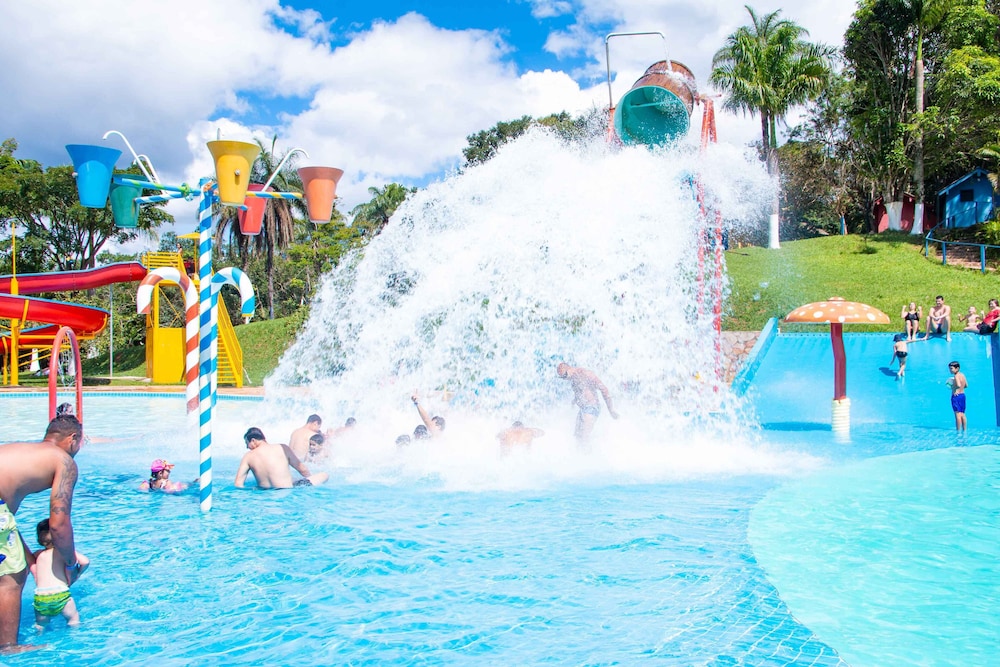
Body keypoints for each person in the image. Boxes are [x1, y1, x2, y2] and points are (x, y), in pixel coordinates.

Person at [0, 414, 84, 652]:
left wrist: (28, 556)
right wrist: (69, 563)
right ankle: (7, 646)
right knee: (10, 578)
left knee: (17, 561)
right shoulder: (64, 461)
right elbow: (58, 523)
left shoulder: (21, 450)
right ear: (73, 438)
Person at [30, 518, 89, 630]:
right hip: (61, 594)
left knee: (40, 625)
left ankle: (38, 639)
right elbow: (85, 561)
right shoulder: (63, 551)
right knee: (73, 619)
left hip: (41, 597)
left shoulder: (38, 554)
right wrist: (78, 574)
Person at [235, 427, 329, 489]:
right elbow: (303, 469)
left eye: (247, 444)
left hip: (264, 493)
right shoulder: (282, 448)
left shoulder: (248, 456)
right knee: (324, 475)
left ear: (253, 440)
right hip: (287, 491)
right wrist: (308, 479)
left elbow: (238, 484)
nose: (247, 447)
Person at [556, 362, 620, 442]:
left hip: (592, 408)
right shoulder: (573, 381)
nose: (565, 379)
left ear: (569, 368)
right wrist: (574, 401)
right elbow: (581, 393)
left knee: (584, 438)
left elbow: (604, 390)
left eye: (565, 375)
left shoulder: (585, 373)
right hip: (583, 410)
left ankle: (593, 452)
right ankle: (581, 454)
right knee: (577, 437)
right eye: (562, 377)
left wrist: (611, 410)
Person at [947, 361, 968, 431]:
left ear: (957, 368)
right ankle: (964, 429)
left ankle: (958, 430)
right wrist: (960, 388)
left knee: (957, 415)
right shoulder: (963, 375)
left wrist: (954, 388)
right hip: (962, 395)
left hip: (956, 397)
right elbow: (966, 385)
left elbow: (958, 385)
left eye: (951, 368)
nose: (950, 370)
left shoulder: (956, 376)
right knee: (962, 413)